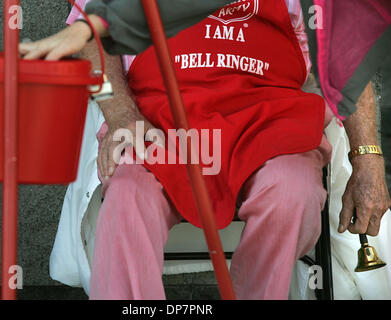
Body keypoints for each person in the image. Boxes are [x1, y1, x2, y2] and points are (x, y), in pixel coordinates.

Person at [21, 0, 391, 299]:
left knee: (293, 193)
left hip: (268, 122)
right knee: (128, 198)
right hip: (159, 121)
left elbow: (345, 56)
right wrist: (121, 114)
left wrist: (368, 158)